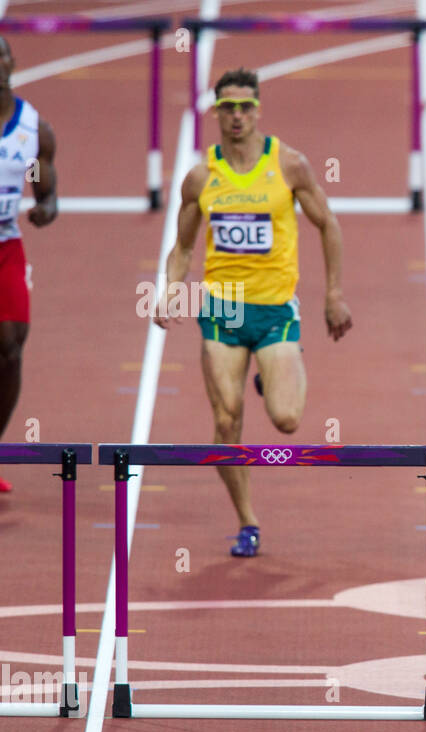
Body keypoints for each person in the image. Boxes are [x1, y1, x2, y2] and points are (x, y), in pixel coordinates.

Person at [156, 68, 351, 555]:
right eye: (228, 107)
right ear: (217, 112)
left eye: (245, 107)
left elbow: (328, 225)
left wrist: (333, 295)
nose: (237, 116)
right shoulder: (202, 176)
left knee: (285, 419)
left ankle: (271, 372)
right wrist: (169, 288)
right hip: (223, 310)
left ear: (258, 109)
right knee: (226, 421)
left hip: (274, 311)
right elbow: (181, 246)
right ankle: (248, 521)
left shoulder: (290, 165)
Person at [0, 31, 57, 493]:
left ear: (12, 63)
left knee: (10, 353)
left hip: (4, 251)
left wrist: (44, 209)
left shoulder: (33, 130)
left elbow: (43, 189)